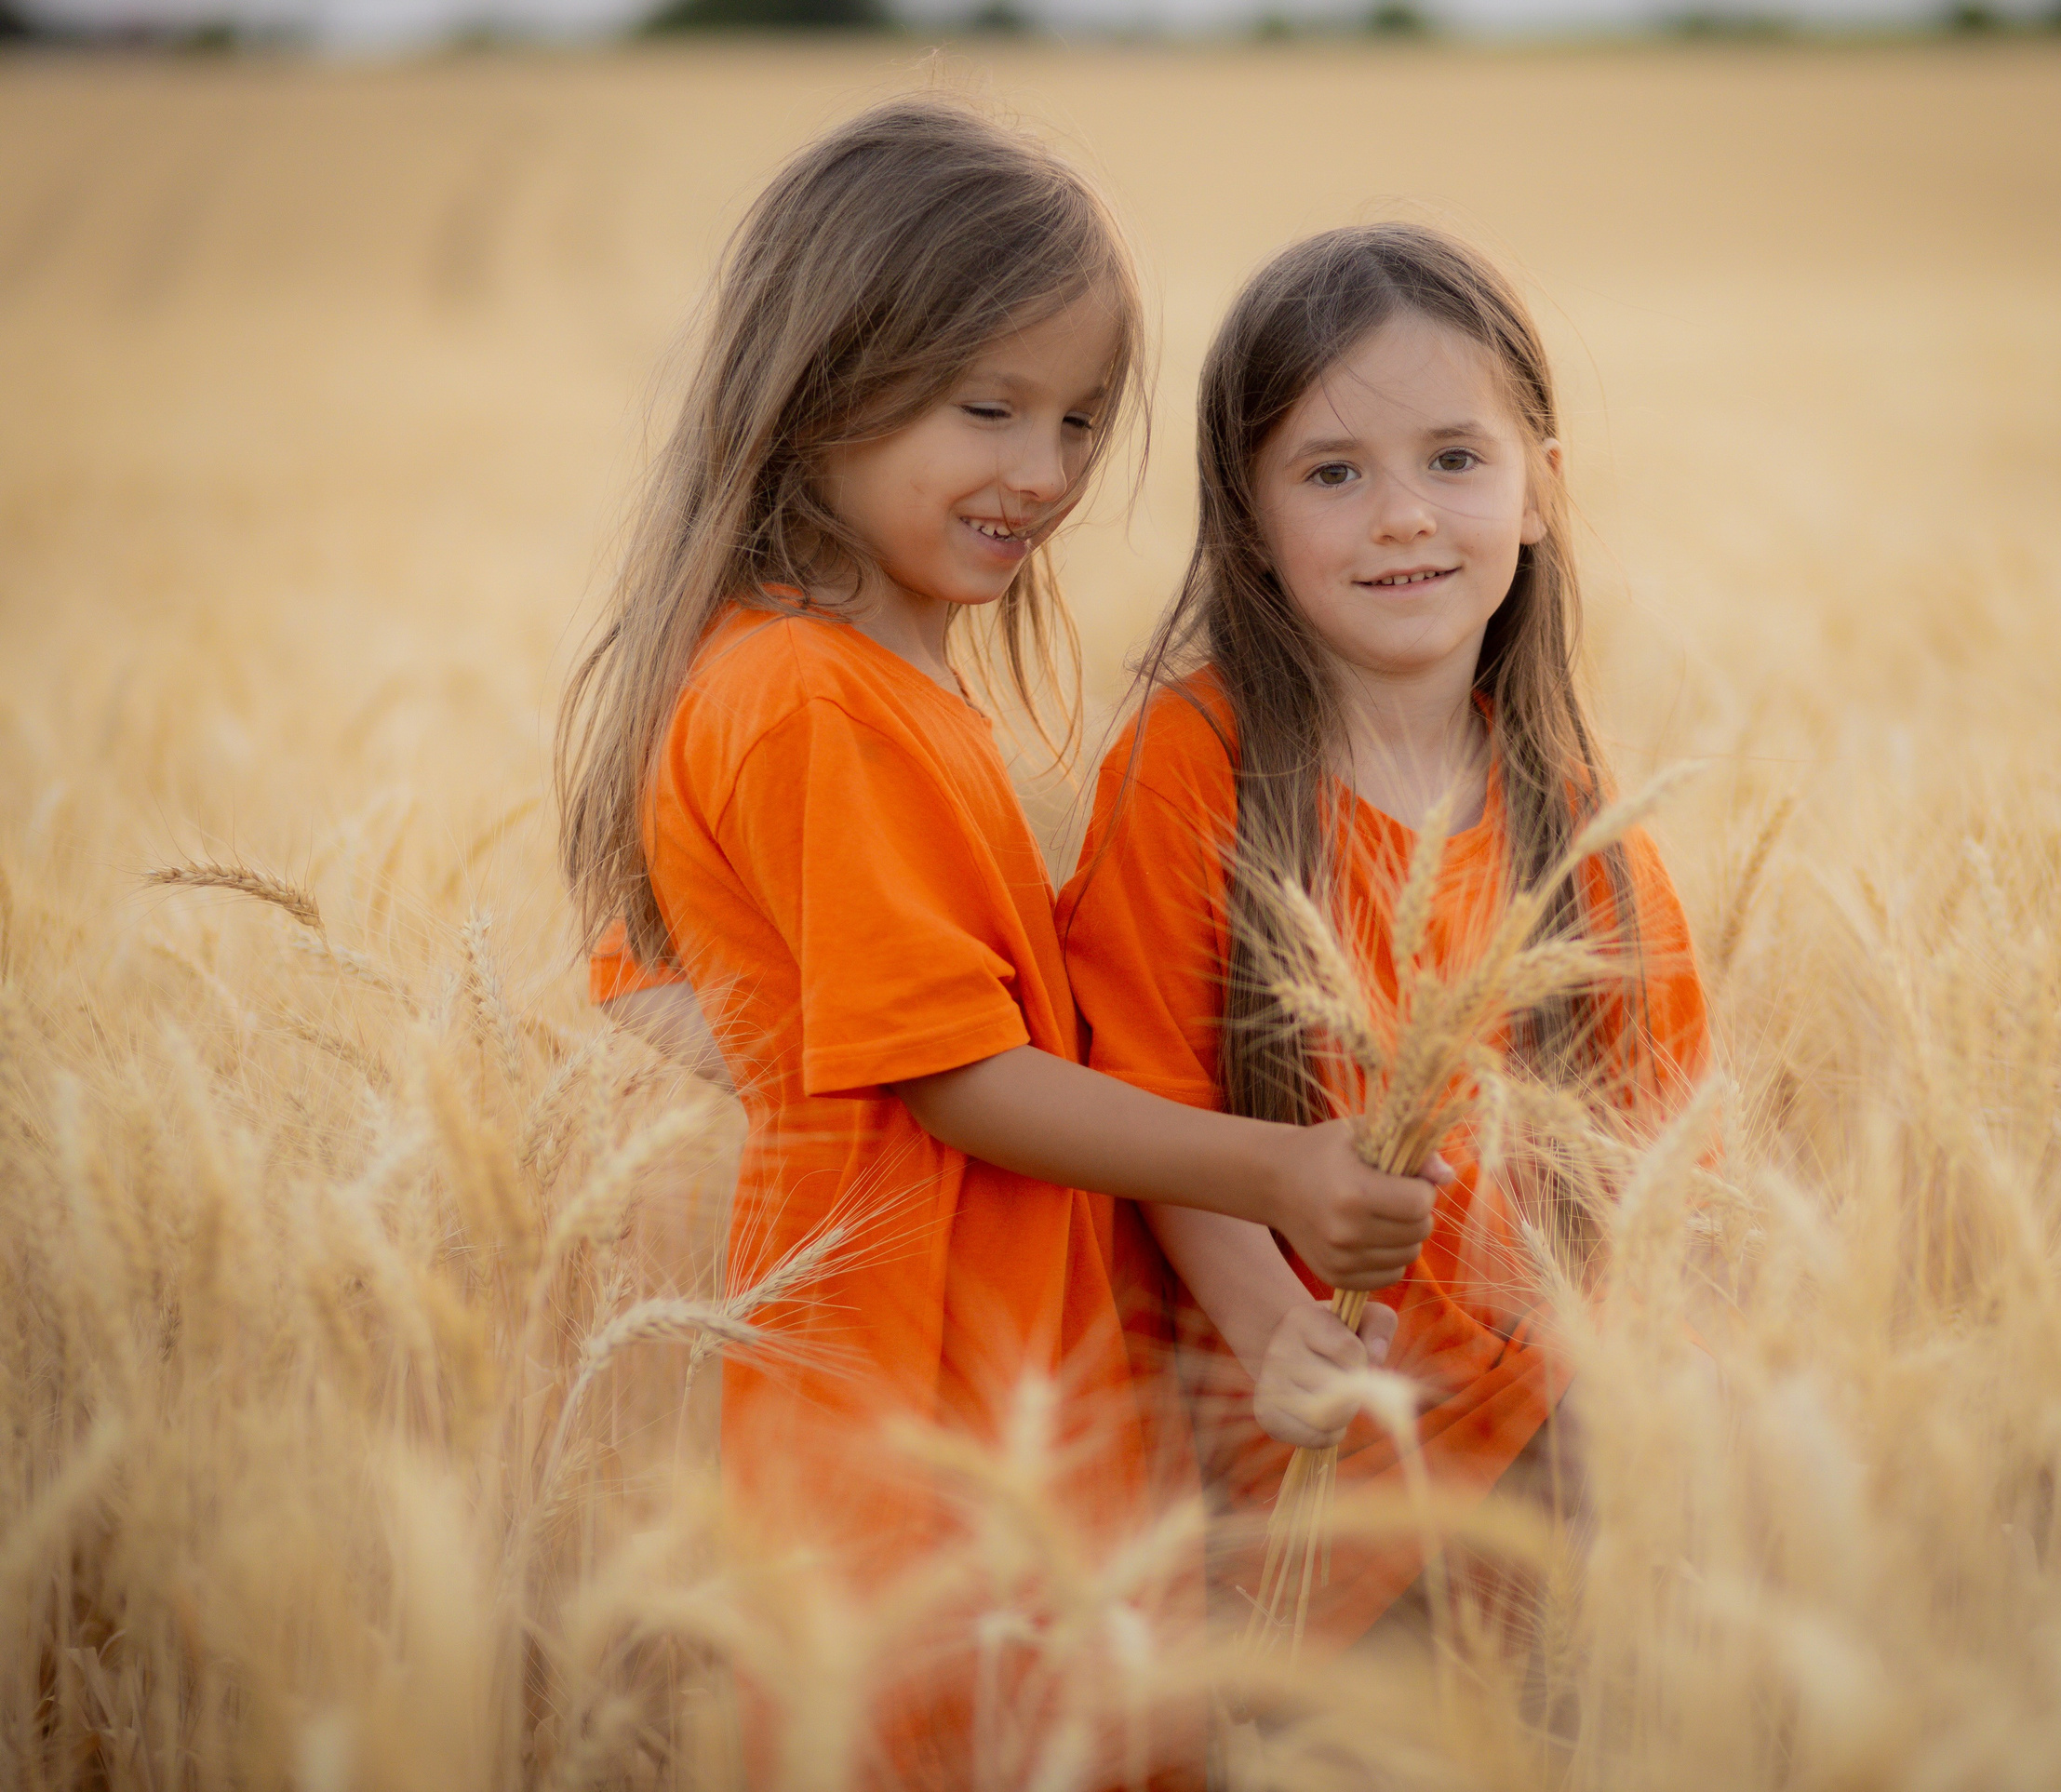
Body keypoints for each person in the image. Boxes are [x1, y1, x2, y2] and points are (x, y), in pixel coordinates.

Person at [554, 100, 1443, 1787]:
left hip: (961, 1379)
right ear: (825, 378)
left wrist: (817, 1090)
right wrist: (1278, 1167)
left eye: (1081, 418)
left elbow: (663, 980)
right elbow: (959, 1077)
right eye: (991, 407)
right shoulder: (819, 701)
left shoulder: (812, 672)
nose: (1043, 470)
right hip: (934, 1412)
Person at [1054, 222, 1712, 1655]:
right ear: (1248, 523)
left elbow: (1669, 1172)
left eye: (1454, 459)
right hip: (1291, 1473)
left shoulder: (1591, 840)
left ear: (1544, 488)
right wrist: (1262, 1322)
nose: (1403, 515)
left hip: (1541, 1480)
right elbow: (1138, 1086)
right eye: (1334, 473)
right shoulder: (1194, 762)